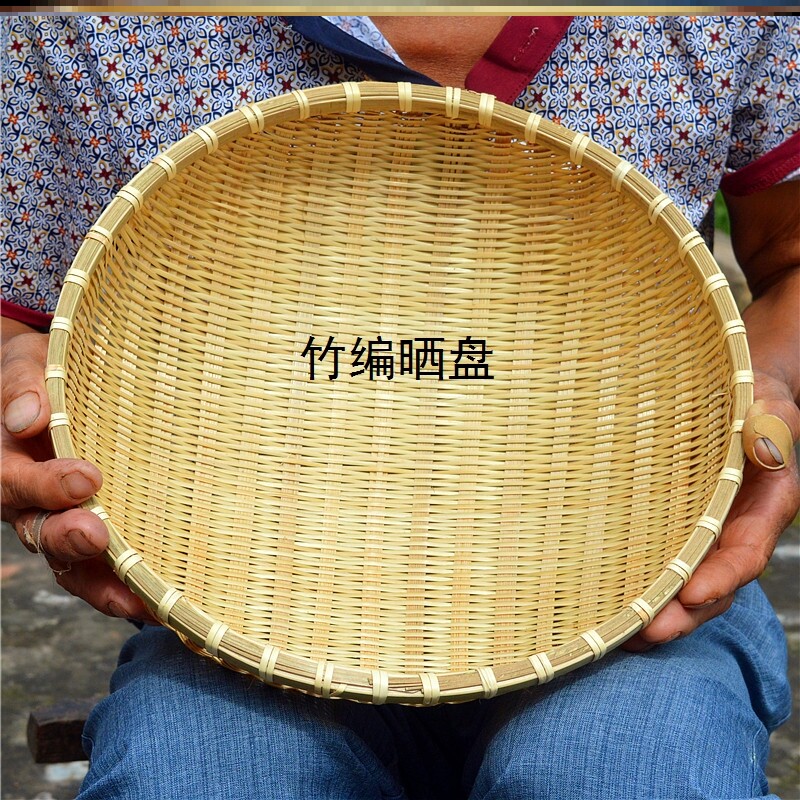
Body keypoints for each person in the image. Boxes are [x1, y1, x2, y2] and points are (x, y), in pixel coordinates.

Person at [2, 14, 799, 799]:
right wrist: (21, 398)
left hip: (635, 576)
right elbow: (20, 306)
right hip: (240, 601)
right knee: (193, 777)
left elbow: (789, 254)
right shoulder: (75, 24)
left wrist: (765, 386)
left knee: (628, 773)